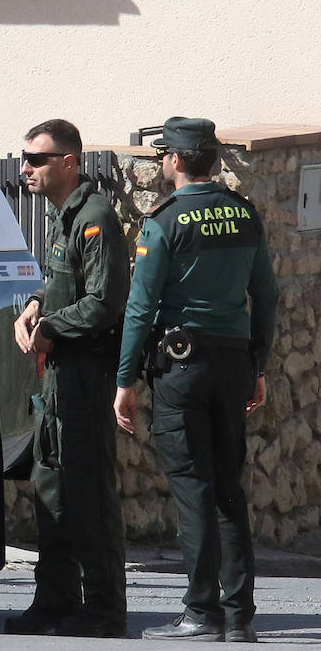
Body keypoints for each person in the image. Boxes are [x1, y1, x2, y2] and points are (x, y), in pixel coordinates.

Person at [114, 118, 278, 643]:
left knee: (193, 488)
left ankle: (201, 612)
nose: (161, 162)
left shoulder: (165, 220)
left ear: (179, 160)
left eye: (164, 154)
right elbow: (267, 297)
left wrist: (125, 379)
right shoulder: (245, 214)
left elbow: (140, 308)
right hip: (233, 363)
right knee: (229, 487)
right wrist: (261, 367)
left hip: (181, 366)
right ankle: (239, 618)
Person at [7, 118, 129, 638]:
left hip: (86, 373)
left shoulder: (94, 215)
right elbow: (60, 281)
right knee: (51, 486)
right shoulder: (62, 217)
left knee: (88, 493)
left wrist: (53, 325)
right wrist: (34, 306)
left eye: (37, 159)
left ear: (69, 162)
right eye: (25, 158)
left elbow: (104, 302)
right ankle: (53, 601)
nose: (26, 168)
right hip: (57, 376)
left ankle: (103, 610)